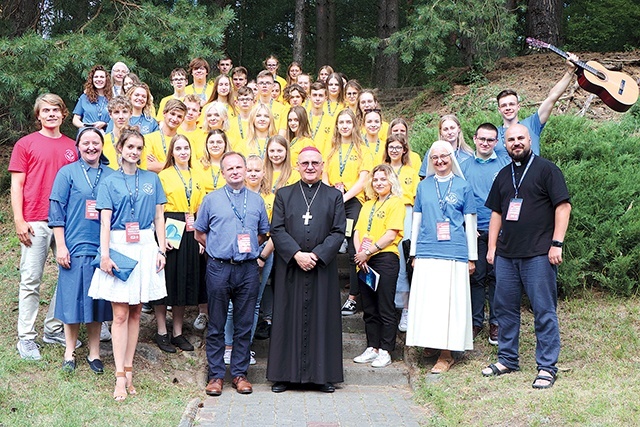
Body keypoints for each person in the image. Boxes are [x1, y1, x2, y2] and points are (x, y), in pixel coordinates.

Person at [482, 124, 571, 390]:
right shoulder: (502, 175)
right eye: (511, 140)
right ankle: (508, 359)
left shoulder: (547, 170)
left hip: (539, 254)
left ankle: (546, 367)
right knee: (504, 311)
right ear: (504, 144)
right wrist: (491, 247)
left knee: (543, 311)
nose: (516, 143)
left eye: (521, 138)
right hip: (507, 255)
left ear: (529, 140)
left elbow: (563, 207)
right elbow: (496, 213)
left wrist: (557, 243)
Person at [88, 126, 168, 401]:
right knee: (119, 313)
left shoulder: (151, 179)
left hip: (146, 245)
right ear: (120, 149)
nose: (134, 152)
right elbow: (105, 221)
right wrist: (106, 254)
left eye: (139, 148)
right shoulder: (109, 181)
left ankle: (130, 369)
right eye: (130, 147)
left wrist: (161, 249)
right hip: (120, 246)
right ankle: (119, 377)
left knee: (136, 312)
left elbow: (159, 218)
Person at [268, 146, 346, 393]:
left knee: (322, 319)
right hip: (291, 268)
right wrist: (296, 254)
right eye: (305, 163)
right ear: (297, 166)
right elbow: (277, 229)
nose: (310, 167)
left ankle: (322, 376)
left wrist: (317, 255)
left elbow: (338, 231)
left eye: (315, 163)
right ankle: (284, 375)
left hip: (321, 268)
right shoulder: (284, 194)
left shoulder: (334, 196)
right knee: (286, 317)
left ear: (322, 166)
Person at [10, 93, 80, 360]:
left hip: (66, 222)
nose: (51, 114)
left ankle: (53, 328)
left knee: (68, 277)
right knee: (31, 280)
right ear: (38, 115)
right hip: (35, 221)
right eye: (46, 110)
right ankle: (26, 338)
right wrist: (19, 219)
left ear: (63, 114)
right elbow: (17, 184)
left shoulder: (72, 146)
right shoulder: (25, 144)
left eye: (56, 110)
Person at [195, 152, 269, 397]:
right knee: (216, 323)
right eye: (230, 168)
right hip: (219, 268)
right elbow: (199, 233)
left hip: (247, 268)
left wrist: (244, 250)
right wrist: (219, 248)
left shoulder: (257, 200)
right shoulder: (211, 199)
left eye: (239, 167)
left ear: (246, 170)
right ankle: (215, 375)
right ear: (223, 172)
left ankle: (239, 373)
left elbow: (262, 234)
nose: (235, 171)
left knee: (244, 324)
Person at [406, 140, 477, 374]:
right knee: (430, 301)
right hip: (427, 249)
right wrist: (414, 253)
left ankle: (447, 353)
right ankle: (431, 343)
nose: (439, 161)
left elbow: (470, 222)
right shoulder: (424, 186)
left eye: (443, 156)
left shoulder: (463, 186)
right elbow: (416, 220)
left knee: (449, 303)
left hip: (454, 252)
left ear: (451, 157)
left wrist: (472, 257)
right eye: (434, 157)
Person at [49, 127, 114, 372]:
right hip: (74, 244)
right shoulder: (67, 173)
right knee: (72, 299)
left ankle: (94, 353)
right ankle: (69, 352)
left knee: (97, 300)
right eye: (85, 142)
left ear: (102, 146)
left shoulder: (111, 175)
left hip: (102, 247)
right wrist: (61, 245)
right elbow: (56, 210)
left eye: (95, 143)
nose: (90, 147)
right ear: (78, 146)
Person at [153, 134, 205, 353]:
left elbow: (202, 207)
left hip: (191, 226)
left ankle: (178, 332)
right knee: (167, 280)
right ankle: (161, 331)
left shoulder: (197, 175)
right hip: (170, 225)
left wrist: (201, 237)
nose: (183, 152)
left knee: (183, 281)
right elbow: (158, 209)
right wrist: (163, 237)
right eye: (179, 148)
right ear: (172, 152)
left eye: (186, 148)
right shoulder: (163, 176)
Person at [460, 123, 510, 344]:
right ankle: (475, 321)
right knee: (477, 277)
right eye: (482, 139)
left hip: (500, 231)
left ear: (496, 142)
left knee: (497, 277)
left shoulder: (505, 164)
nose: (485, 143)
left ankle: (496, 322)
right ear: (474, 138)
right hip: (474, 230)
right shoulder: (463, 166)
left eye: (490, 140)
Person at [352, 164, 405, 368]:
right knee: (370, 307)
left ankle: (385, 350)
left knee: (385, 306)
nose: (379, 183)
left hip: (384, 258)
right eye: (375, 179)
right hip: (364, 260)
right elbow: (357, 231)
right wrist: (360, 254)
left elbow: (391, 234)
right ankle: (372, 347)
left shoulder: (396, 203)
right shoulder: (367, 205)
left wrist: (368, 252)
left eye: (383, 179)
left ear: (391, 181)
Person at [322, 109, 373, 317]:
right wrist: (330, 194)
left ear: (354, 125)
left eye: (348, 122)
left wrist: (342, 198)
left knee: (354, 248)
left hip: (353, 202)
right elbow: (323, 174)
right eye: (340, 122)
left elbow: (362, 181)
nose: (344, 126)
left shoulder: (363, 149)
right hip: (333, 199)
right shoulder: (331, 148)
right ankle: (324, 295)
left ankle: (353, 297)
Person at [495, 54, 578, 158]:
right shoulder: (493, 134)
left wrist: (570, 71)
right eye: (503, 105)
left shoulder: (532, 124)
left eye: (511, 104)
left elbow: (553, 97)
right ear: (499, 109)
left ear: (518, 106)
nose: (508, 108)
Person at [383, 134, 419, 332]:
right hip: (386, 211)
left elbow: (415, 197)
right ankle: (389, 304)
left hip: (405, 212)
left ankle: (405, 308)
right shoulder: (383, 170)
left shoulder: (411, 172)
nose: (394, 150)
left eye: (398, 147)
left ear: (404, 150)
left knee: (403, 258)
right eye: (391, 147)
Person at [146, 99, 187, 172]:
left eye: (179, 116)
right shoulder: (148, 138)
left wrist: (158, 164)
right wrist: (175, 165)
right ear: (164, 113)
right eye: (172, 114)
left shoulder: (183, 141)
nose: (175, 119)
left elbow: (186, 167)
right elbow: (148, 165)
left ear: (183, 120)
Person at [72, 65, 112, 131]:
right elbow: (75, 119)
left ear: (106, 80)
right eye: (96, 77)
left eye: (102, 77)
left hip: (106, 135)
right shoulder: (84, 97)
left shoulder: (112, 98)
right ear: (92, 80)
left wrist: (105, 124)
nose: (99, 79)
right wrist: (86, 126)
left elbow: (117, 120)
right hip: (86, 134)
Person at [103, 96, 133, 170]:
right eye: (116, 112)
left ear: (131, 114)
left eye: (125, 112)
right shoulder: (103, 141)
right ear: (110, 115)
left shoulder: (137, 141)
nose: (121, 116)